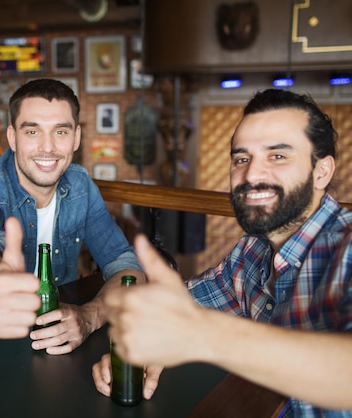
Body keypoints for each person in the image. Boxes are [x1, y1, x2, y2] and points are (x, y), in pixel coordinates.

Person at [92, 88, 352, 416]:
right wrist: (137, 347)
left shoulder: (347, 249)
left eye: (278, 156)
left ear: (322, 171)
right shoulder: (251, 251)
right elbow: (181, 311)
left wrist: (203, 335)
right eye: (241, 158)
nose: (252, 174)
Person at [0, 78, 143, 355]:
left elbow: (127, 267)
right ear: (12, 138)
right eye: (32, 132)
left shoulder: (81, 186)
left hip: (58, 344)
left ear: (76, 138)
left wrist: (89, 316)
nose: (47, 147)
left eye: (60, 132)